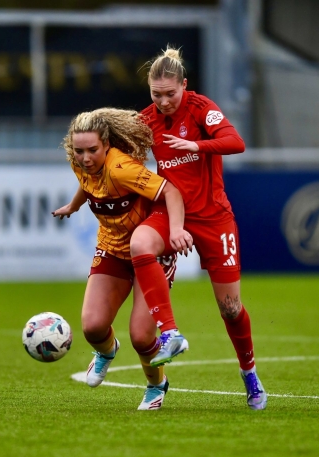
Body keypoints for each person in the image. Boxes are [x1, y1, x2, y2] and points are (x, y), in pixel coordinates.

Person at [129, 47, 268, 410]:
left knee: (231, 308)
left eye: (170, 94)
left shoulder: (201, 107)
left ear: (184, 86)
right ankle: (170, 334)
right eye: (155, 94)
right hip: (170, 214)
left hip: (213, 217)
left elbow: (236, 143)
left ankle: (249, 372)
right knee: (140, 243)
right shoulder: (145, 121)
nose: (163, 101)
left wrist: (197, 144)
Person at [52, 107, 193, 410]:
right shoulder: (80, 163)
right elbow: (89, 184)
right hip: (112, 248)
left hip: (148, 251)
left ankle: (157, 385)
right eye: (79, 151)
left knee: (142, 337)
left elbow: (170, 191)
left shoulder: (122, 168)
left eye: (93, 150)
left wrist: (177, 229)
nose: (86, 158)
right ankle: (106, 351)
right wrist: (74, 206)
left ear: (106, 145)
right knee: (92, 327)